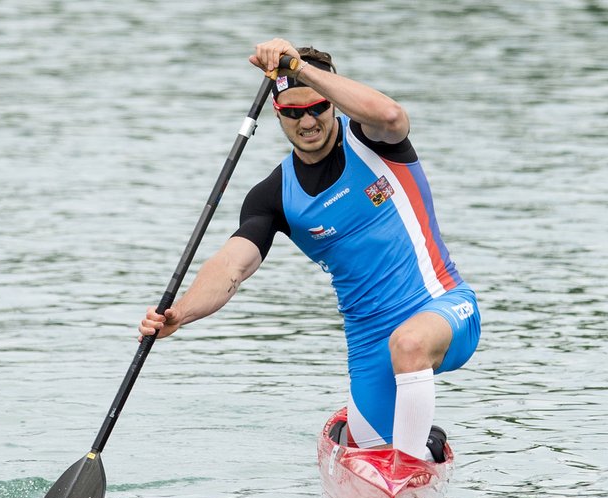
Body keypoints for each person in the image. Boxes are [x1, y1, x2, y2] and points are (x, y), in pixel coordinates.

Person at [139, 38, 481, 461]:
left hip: (444, 306)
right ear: (277, 114)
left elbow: (392, 114)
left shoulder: (374, 141)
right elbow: (232, 267)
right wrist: (181, 313)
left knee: (409, 344)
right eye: (293, 112)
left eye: (318, 107)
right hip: (369, 342)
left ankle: (409, 462)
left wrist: (298, 68)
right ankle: (413, 443)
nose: (308, 121)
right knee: (372, 447)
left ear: (333, 102)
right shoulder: (274, 196)